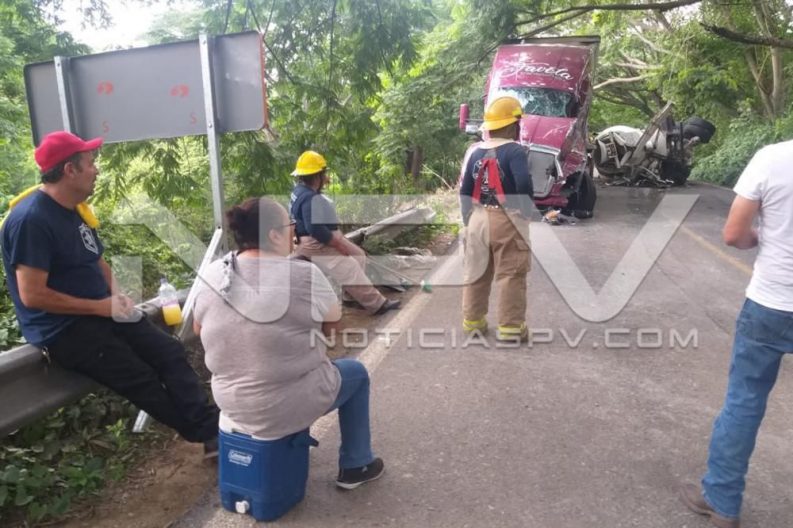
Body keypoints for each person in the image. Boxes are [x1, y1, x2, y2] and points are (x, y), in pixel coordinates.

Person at [0, 131, 219, 455]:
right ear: (69, 170)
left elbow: (96, 259)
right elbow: (32, 295)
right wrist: (99, 307)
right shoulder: (31, 220)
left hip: (104, 310)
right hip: (66, 329)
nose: (96, 170)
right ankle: (210, 433)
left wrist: (116, 295)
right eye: (90, 163)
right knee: (141, 378)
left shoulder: (73, 209)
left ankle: (211, 429)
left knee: (169, 351)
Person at [192, 196, 385, 489]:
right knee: (355, 374)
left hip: (229, 402)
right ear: (273, 235)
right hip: (280, 404)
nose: (294, 230)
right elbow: (332, 329)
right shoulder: (304, 273)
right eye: (290, 225)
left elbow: (198, 328)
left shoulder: (213, 272)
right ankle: (357, 465)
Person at [680, 139, 793, 528]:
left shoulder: (773, 158)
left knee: (745, 401)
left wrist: (763, 238)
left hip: (772, 302)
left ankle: (722, 502)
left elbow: (734, 234)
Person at [289, 150, 400, 316]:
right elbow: (315, 229)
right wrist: (338, 245)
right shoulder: (310, 198)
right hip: (317, 242)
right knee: (349, 267)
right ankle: (377, 304)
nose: (326, 177)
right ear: (317, 176)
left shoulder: (302, 191)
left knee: (358, 255)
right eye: (324, 173)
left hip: (323, 237)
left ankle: (350, 297)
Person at [459, 96, 533, 341]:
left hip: (478, 218)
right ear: (513, 125)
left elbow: (465, 190)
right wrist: (525, 211)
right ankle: (511, 328)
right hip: (507, 219)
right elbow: (523, 183)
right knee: (511, 273)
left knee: (477, 272)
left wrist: (468, 219)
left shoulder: (475, 152)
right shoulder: (515, 151)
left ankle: (473, 323)